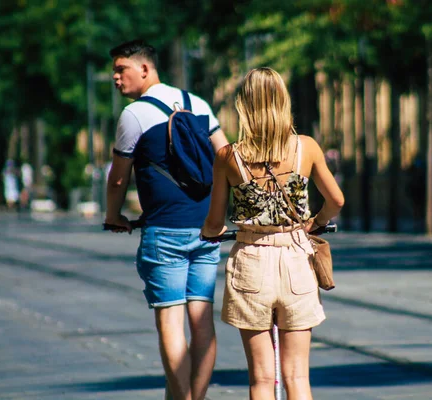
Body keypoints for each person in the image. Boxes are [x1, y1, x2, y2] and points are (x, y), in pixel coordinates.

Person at [201, 67, 344, 400]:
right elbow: (336, 199)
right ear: (283, 101)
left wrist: (213, 231)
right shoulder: (304, 148)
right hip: (296, 259)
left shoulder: (229, 156)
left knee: (262, 380)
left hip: (251, 261)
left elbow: (213, 220)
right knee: (296, 376)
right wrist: (317, 222)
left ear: (244, 106)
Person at [104, 39, 228, 400]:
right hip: (207, 229)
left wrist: (114, 215)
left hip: (166, 232)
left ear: (145, 69)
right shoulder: (199, 104)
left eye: (121, 69)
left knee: (170, 323)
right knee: (201, 321)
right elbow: (226, 155)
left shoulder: (135, 115)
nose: (115, 78)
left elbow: (117, 176)